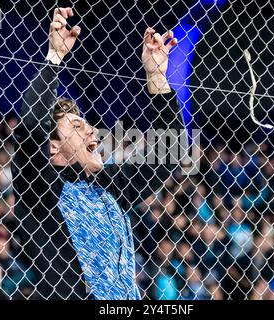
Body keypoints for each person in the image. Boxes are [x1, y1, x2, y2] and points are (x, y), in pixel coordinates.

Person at [12, 7, 184, 299]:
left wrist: (156, 77)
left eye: (88, 124)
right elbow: (31, 128)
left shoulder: (111, 183)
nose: (92, 131)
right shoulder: (41, 186)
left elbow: (171, 153)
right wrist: (54, 58)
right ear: (53, 146)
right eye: (78, 126)